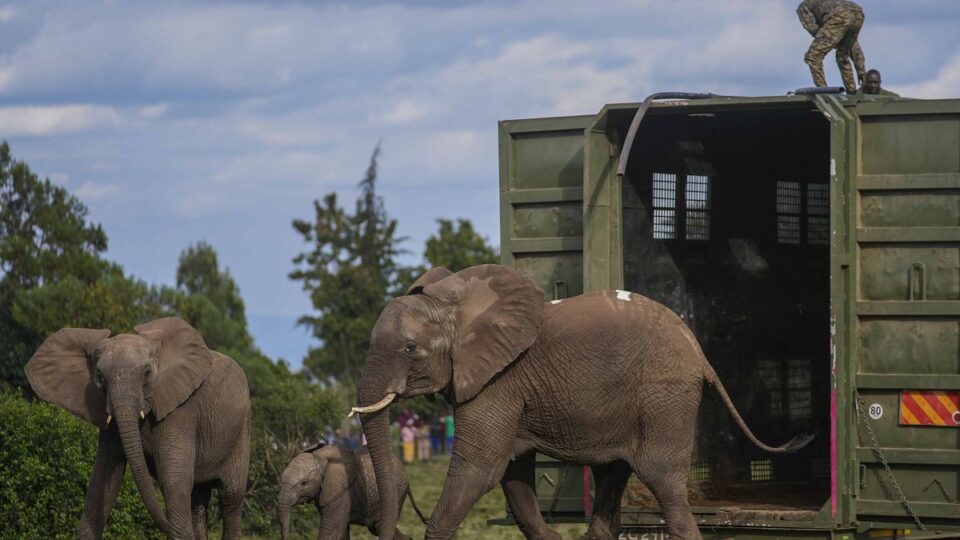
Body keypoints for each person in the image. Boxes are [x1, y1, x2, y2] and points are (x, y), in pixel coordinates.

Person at [797, 0, 866, 94]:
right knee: (842, 55)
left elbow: (813, 29)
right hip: (857, 13)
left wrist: (832, 40)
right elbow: (854, 47)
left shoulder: (803, 6)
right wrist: (861, 70)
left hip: (839, 15)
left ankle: (824, 92)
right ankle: (854, 91)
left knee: (813, 57)